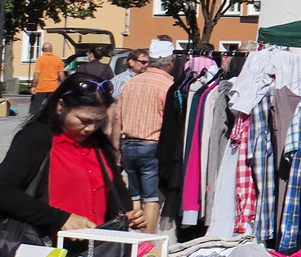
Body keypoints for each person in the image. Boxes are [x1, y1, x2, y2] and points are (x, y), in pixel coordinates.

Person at [0, 77, 140, 238]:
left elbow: (117, 189)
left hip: (97, 245)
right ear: (60, 106)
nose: (91, 128)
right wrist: (60, 218)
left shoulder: (98, 143)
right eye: (84, 120)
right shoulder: (38, 136)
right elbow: (4, 189)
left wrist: (127, 215)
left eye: (99, 121)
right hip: (45, 244)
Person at [112, 55, 175, 231]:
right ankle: (146, 242)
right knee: (151, 198)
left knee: (134, 195)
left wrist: (116, 148)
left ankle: (132, 236)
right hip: (151, 144)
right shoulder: (167, 85)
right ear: (169, 63)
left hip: (128, 143)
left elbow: (117, 117)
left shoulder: (130, 83)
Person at [29, 45, 64, 119]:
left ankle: (33, 120)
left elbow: (37, 74)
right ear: (51, 49)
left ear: (42, 50)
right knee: (52, 106)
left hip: (41, 87)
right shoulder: (58, 59)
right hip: (53, 87)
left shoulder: (40, 59)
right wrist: (63, 85)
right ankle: (51, 120)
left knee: (35, 106)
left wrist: (33, 85)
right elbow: (61, 74)